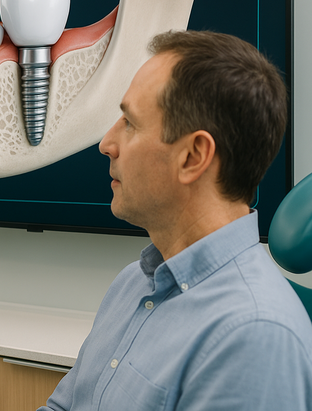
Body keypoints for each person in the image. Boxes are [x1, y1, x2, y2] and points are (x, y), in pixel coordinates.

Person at [39, 30, 312, 410]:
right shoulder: (132, 284)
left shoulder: (253, 336)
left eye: (129, 122)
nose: (106, 143)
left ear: (193, 156)